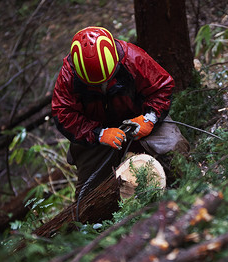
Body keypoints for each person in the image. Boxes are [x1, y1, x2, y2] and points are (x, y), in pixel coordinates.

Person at [51, 26, 189, 196]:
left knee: (173, 147)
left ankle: (187, 191)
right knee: (88, 191)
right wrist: (98, 134)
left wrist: (150, 118)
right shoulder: (68, 77)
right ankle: (98, 218)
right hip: (96, 131)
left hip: (138, 118)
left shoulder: (133, 58)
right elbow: (64, 115)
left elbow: (162, 88)